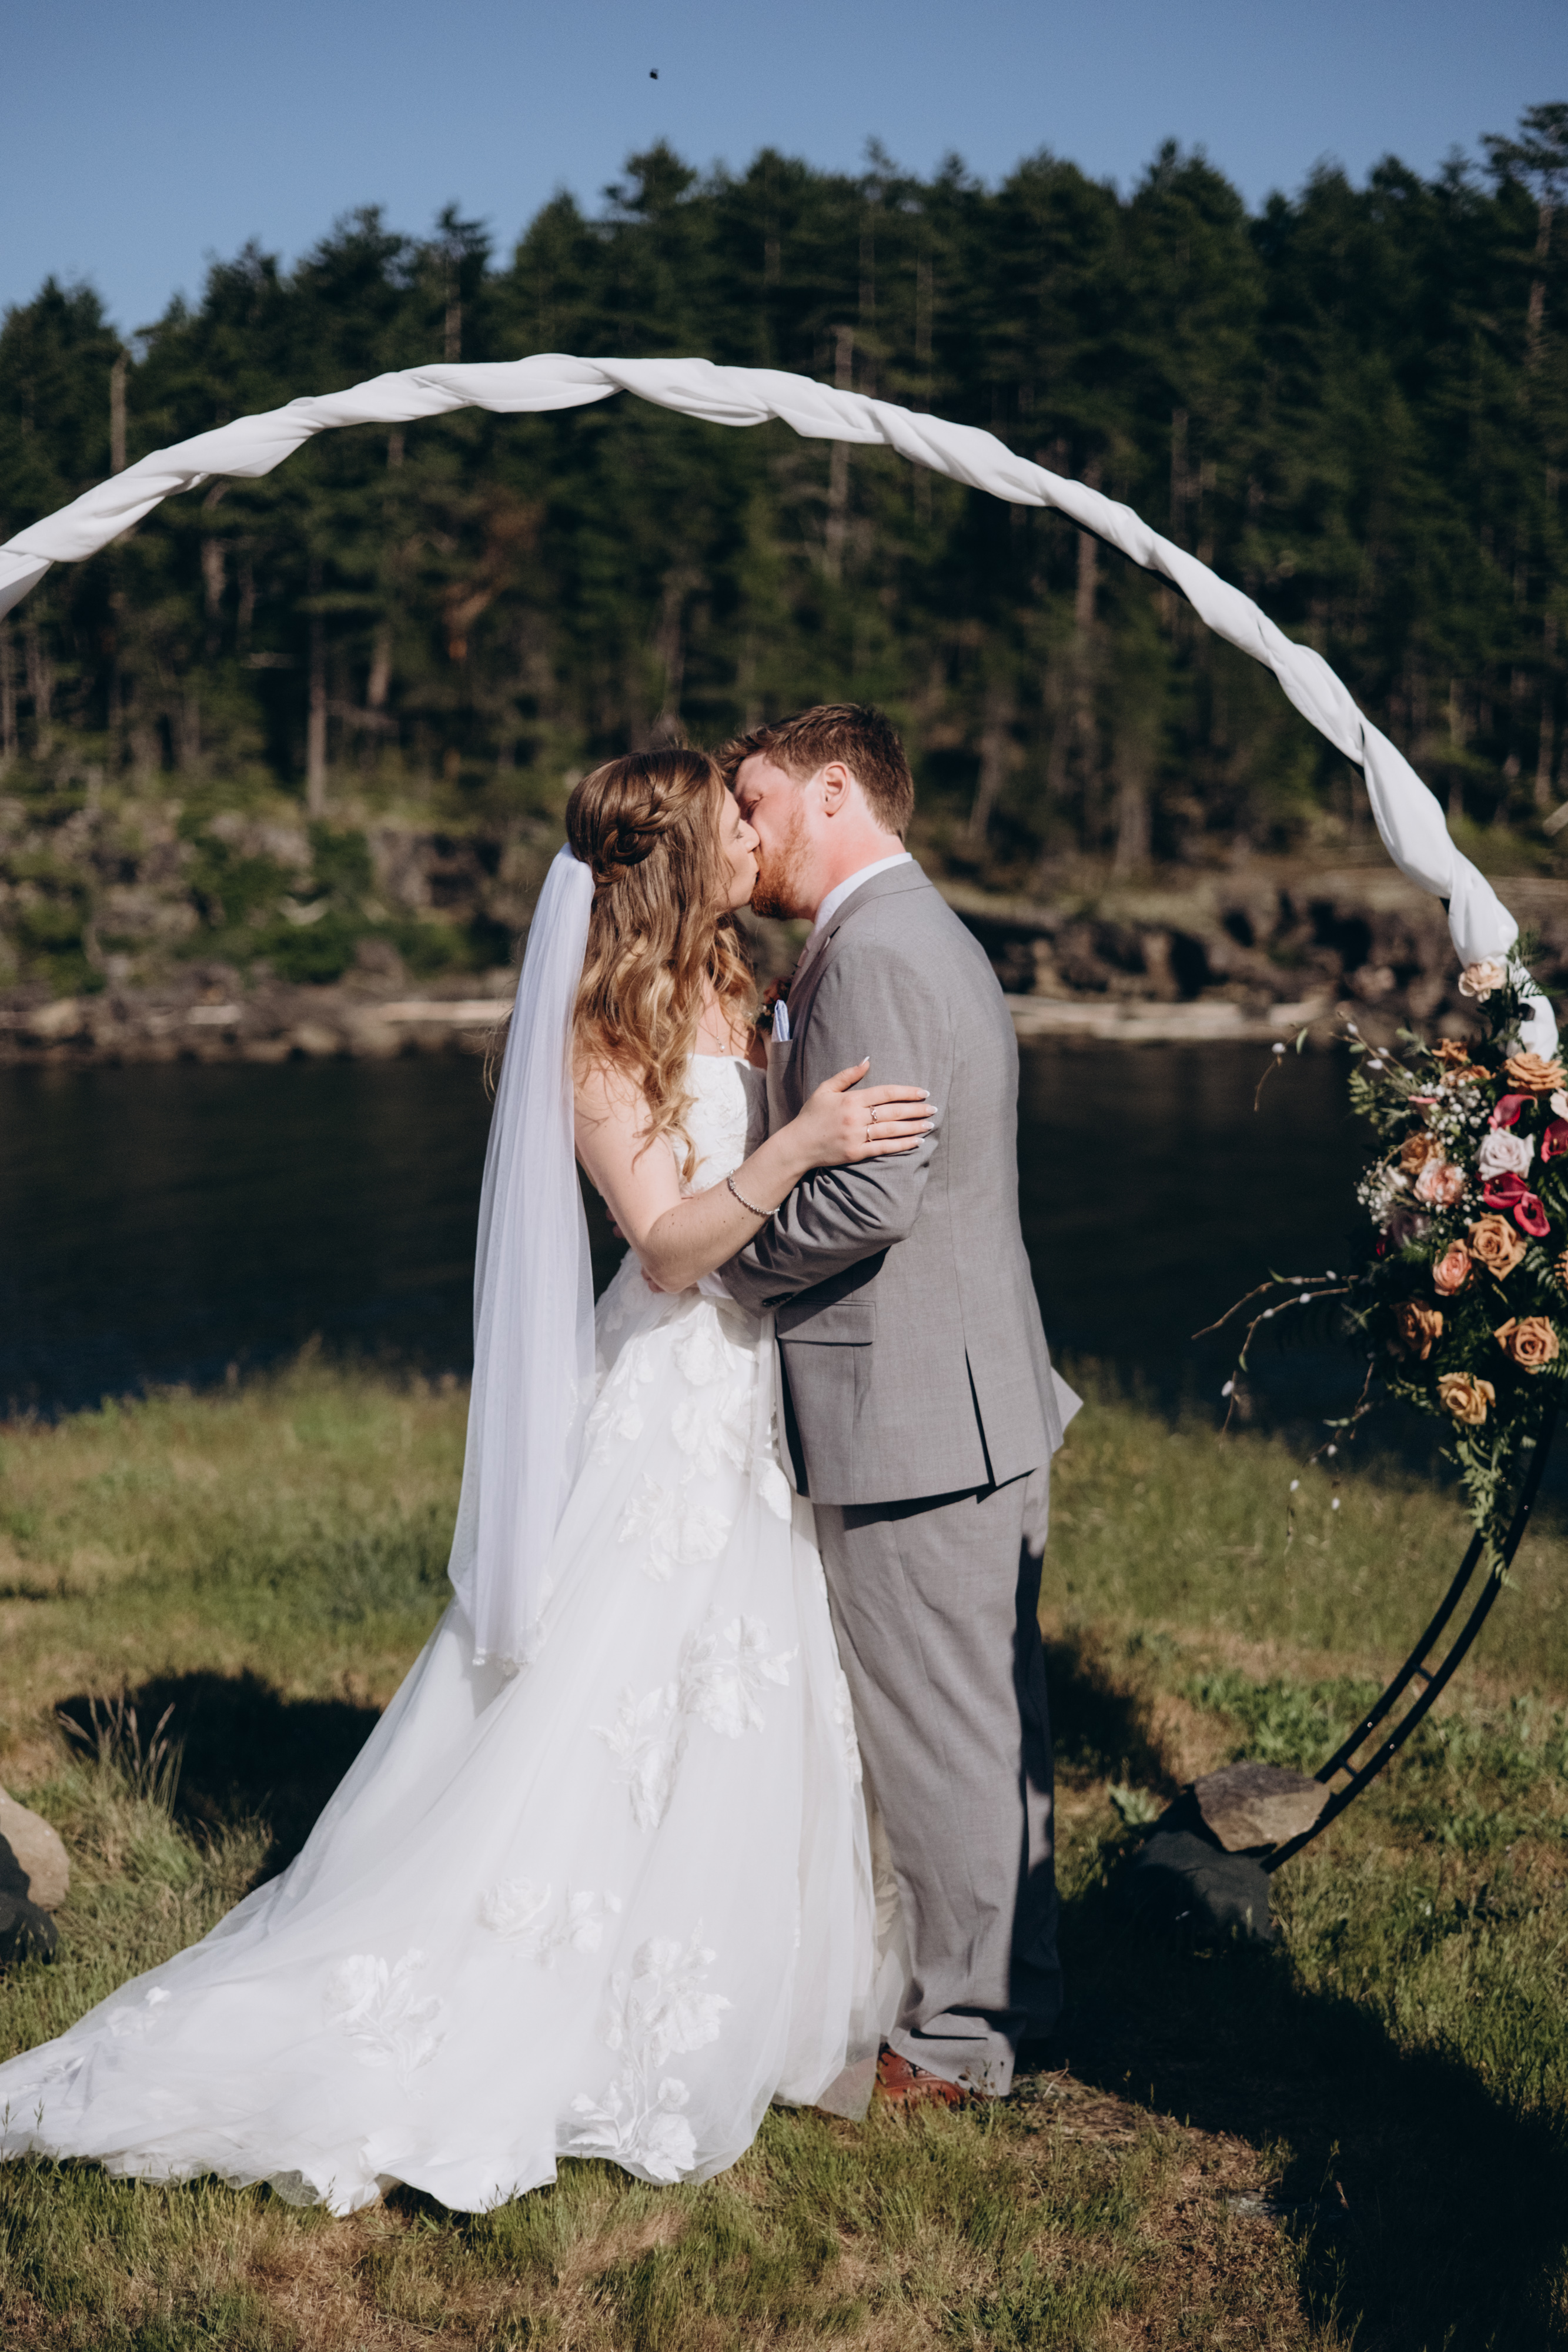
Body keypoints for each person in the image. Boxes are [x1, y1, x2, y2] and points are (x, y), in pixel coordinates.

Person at [0, 747, 935, 2213]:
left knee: (748, 1680)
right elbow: (664, 1247)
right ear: (678, 856)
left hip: (758, 1387)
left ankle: (743, 1970)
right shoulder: (593, 1030)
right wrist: (802, 1142)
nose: (752, 840)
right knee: (610, 1690)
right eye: (729, 822)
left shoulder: (739, 982)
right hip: (670, 1388)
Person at [721, 703, 1076, 2106]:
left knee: (944, 1731)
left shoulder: (871, 949)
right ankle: (1010, 1997)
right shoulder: (903, 928)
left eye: (754, 801)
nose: (741, 829)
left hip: (917, 1405)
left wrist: (719, 1267)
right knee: (984, 1718)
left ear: (830, 791)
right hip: (961, 1389)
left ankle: (961, 2037)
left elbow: (869, 1196)